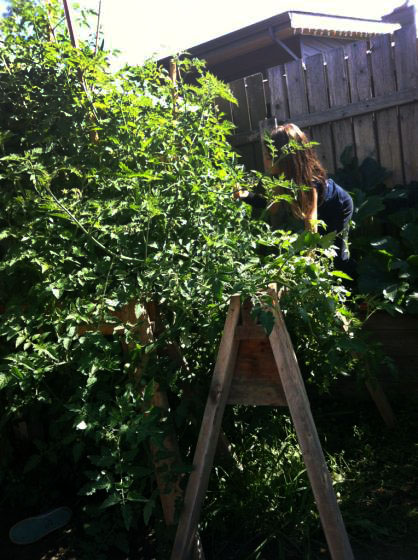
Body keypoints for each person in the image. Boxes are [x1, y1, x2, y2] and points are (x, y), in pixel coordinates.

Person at [235, 123, 354, 275]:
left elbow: (311, 224)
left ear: (283, 158)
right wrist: (246, 195)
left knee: (336, 254)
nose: (264, 161)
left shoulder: (308, 183)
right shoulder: (280, 177)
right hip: (321, 209)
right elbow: (273, 207)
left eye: (267, 156)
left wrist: (308, 260)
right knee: (321, 253)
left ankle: (354, 291)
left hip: (339, 207)